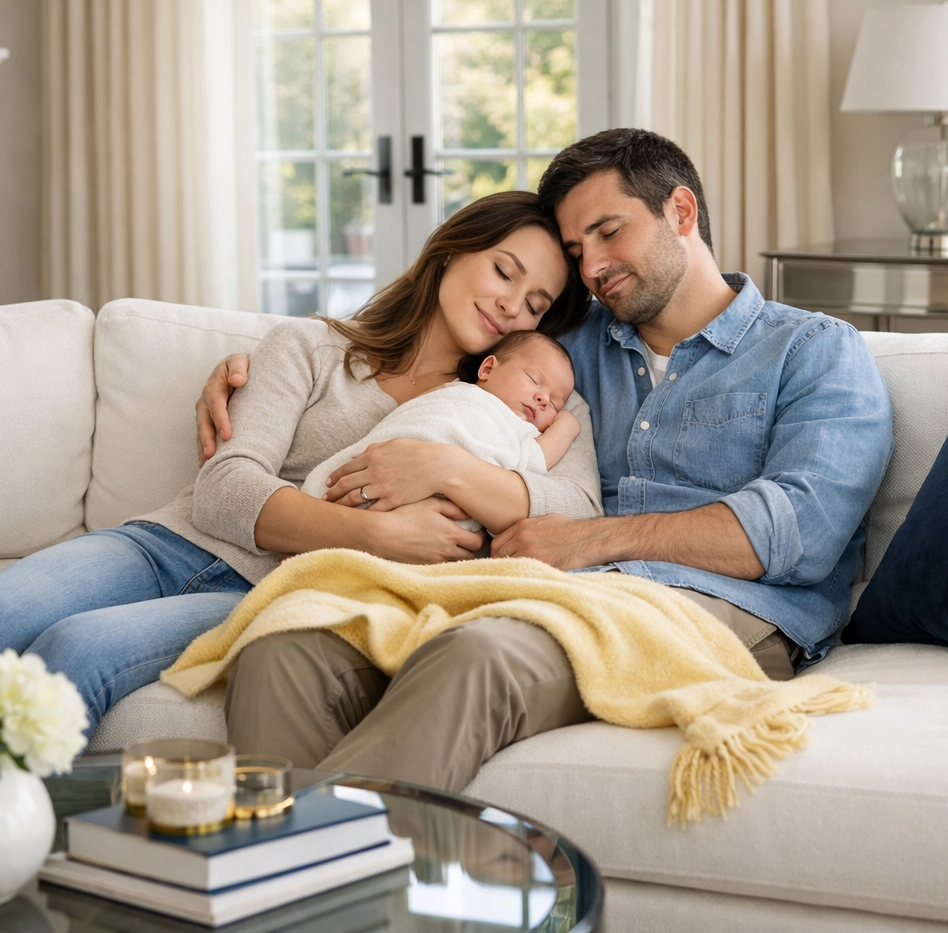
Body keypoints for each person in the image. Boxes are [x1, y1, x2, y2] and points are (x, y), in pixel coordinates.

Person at [197, 128, 895, 793]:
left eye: (609, 232)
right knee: (285, 649)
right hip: (551, 595)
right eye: (577, 248)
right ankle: (289, 865)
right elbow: (433, 344)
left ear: (681, 212)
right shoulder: (572, 344)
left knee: (478, 658)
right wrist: (250, 368)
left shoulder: (812, 349)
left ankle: (315, 865)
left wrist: (592, 539)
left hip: (718, 609)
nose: (591, 268)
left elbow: (801, 531)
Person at [0, 190, 600, 735]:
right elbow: (224, 488)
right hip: (166, 543)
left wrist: (447, 470)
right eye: (504, 271)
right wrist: (374, 533)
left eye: (535, 304)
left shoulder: (534, 405)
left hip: (267, 593)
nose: (511, 304)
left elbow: (576, 511)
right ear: (451, 251)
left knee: (76, 650)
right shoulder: (309, 347)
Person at [299, 330, 583, 534]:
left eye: (555, 403)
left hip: (433, 517)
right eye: (533, 379)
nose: (543, 399)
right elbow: (406, 419)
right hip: (385, 466)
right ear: (487, 369)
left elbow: (539, 458)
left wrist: (567, 426)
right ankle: (317, 533)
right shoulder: (452, 391)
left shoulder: (521, 432)